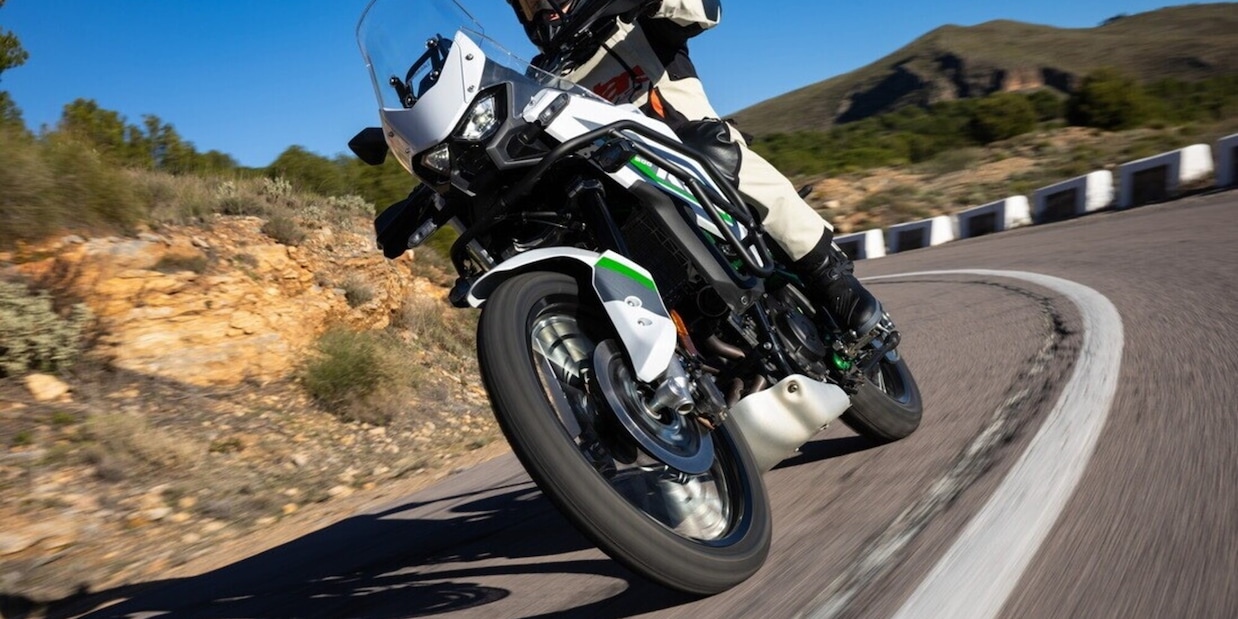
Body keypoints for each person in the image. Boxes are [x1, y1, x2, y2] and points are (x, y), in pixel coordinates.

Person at [508, 0, 884, 336]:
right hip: (624, 189)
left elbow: (705, 10)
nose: (544, 11)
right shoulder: (540, 79)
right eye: (529, 4)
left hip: (692, 156)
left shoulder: (631, 23)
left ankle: (828, 272)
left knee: (710, 151)